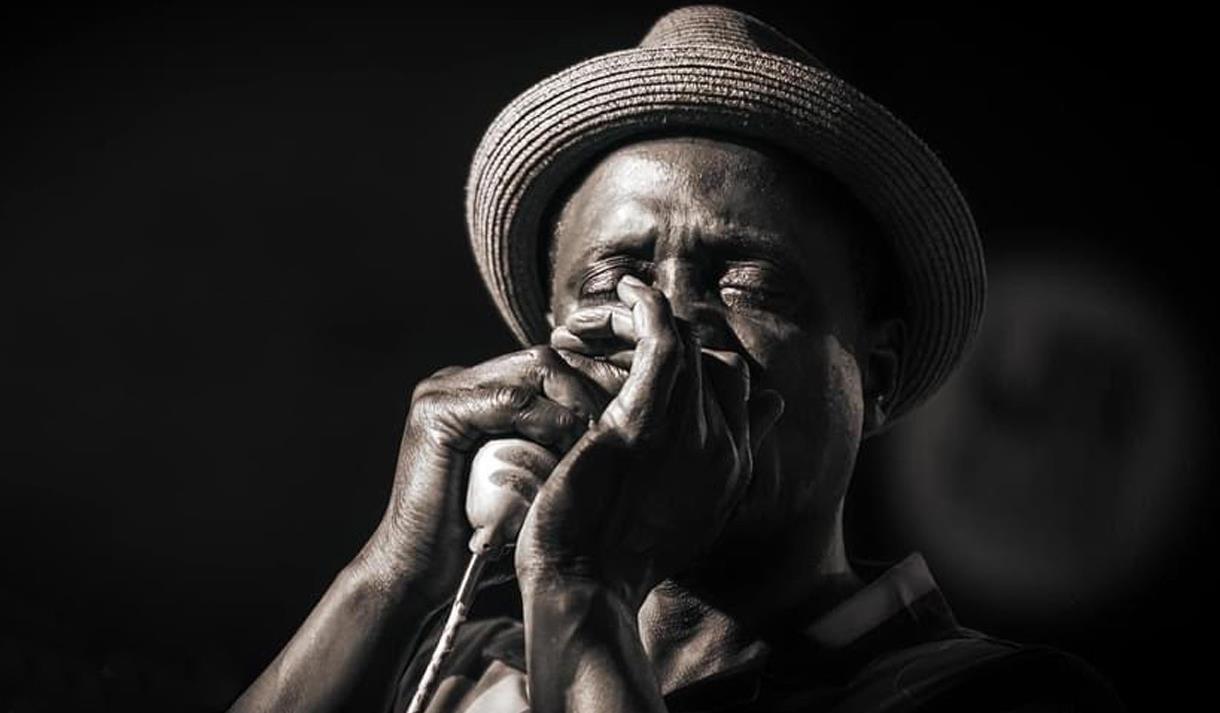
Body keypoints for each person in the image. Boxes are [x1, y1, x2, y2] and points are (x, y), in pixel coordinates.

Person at [229, 6, 1122, 712]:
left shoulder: (996, 694)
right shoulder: (461, 679)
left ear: (876, 375)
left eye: (750, 284)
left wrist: (584, 579)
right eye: (613, 278)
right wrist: (393, 570)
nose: (668, 326)